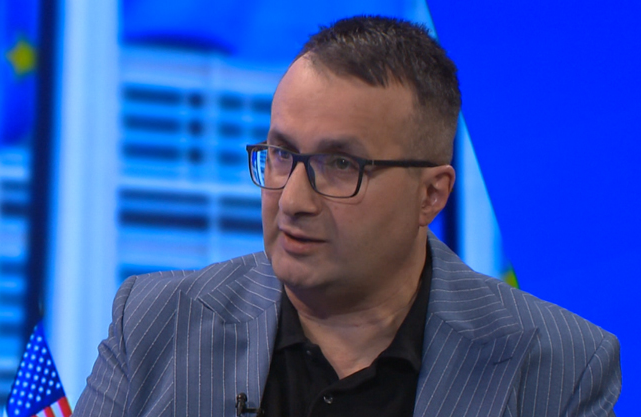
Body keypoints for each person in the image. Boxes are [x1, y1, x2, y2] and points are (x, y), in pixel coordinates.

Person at [72, 16, 621, 417]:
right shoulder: (154, 321)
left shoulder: (560, 367)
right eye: (282, 154)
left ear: (431, 195)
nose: (292, 200)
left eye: (340, 165)